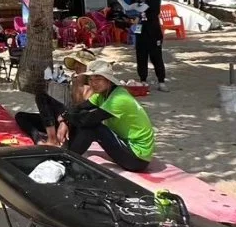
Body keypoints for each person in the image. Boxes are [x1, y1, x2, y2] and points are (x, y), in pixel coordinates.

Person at [16, 57, 155, 171]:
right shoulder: (101, 95)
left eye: (98, 79)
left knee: (93, 127)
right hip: (122, 144)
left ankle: (65, 157)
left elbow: (87, 120)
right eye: (91, 79)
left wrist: (64, 118)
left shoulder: (119, 98)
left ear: (109, 80)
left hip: (137, 158)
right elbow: (78, 108)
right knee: (40, 100)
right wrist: (64, 119)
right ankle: (48, 142)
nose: (94, 83)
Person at [133, 0, 168, 92]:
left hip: (153, 32)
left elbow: (144, 10)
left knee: (156, 57)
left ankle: (161, 81)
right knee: (141, 57)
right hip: (141, 32)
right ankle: (143, 80)